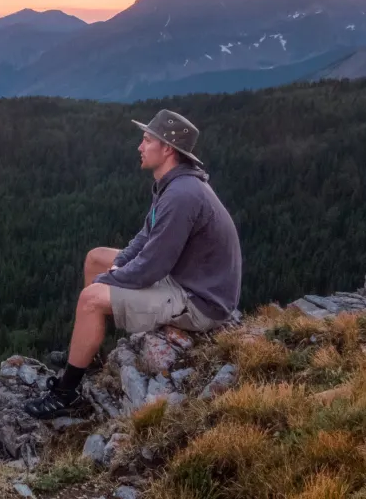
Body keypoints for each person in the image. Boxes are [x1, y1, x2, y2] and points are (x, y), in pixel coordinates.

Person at [23, 109, 243, 420]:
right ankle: (90, 349)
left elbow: (152, 266)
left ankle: (66, 392)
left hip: (200, 301)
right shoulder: (171, 185)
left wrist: (113, 280)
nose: (139, 146)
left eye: (146, 140)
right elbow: (144, 238)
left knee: (90, 299)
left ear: (167, 148)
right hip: (185, 278)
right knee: (96, 257)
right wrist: (115, 268)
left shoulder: (182, 195)